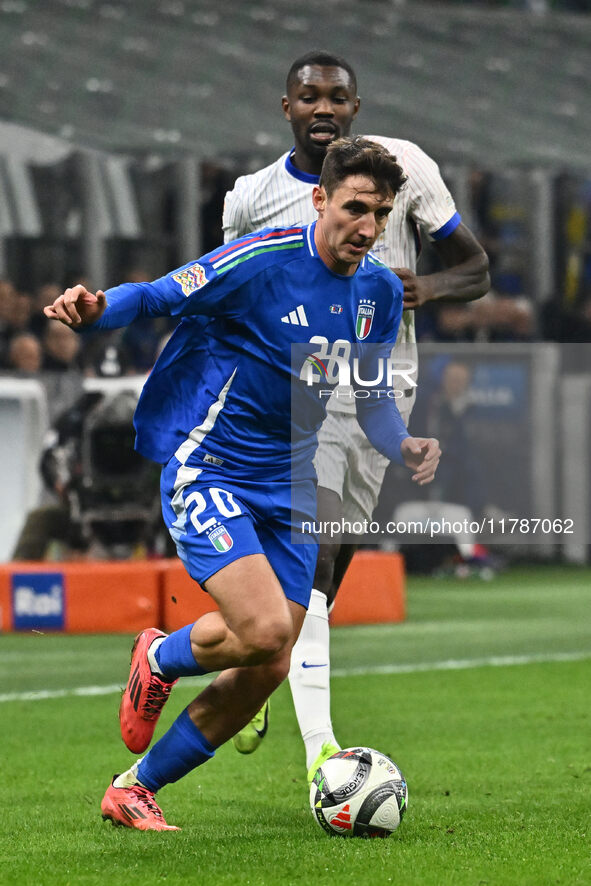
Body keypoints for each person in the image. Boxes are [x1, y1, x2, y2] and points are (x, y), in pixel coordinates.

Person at [44, 137, 441, 832]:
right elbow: (162, 294)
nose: (367, 227)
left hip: (289, 482)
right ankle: (161, 655)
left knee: (268, 663)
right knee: (260, 630)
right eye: (354, 208)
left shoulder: (377, 291)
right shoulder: (262, 261)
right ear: (319, 199)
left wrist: (401, 442)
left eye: (379, 214)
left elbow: (374, 399)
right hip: (212, 468)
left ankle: (134, 788)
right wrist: (95, 306)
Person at [223, 50, 490, 778]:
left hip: (381, 391)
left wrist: (425, 288)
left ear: (354, 108)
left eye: (335, 98)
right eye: (308, 97)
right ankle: (323, 756)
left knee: (322, 576)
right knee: (320, 546)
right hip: (295, 399)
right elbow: (232, 296)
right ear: (287, 108)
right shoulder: (251, 197)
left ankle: (260, 667)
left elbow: (476, 268)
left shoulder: (404, 169)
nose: (322, 108)